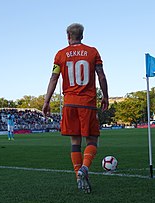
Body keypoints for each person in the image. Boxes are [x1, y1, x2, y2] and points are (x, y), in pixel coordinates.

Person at [42, 23, 109, 193]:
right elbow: (101, 75)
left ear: (68, 36)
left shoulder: (60, 54)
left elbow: (53, 78)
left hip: (69, 103)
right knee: (92, 140)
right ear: (82, 36)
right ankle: (85, 168)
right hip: (87, 103)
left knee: (75, 142)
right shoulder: (93, 52)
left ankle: (77, 176)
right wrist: (105, 97)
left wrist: (46, 101)